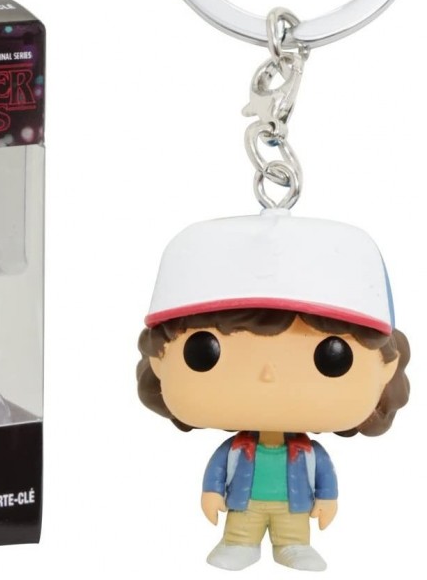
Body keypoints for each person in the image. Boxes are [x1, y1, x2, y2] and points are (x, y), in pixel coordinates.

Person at [137, 211, 410, 571]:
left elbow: (324, 477)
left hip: (293, 509)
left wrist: (327, 498)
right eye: (205, 352)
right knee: (241, 531)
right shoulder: (236, 450)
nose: (268, 375)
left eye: (332, 357)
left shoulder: (309, 454)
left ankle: (293, 546)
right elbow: (217, 470)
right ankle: (239, 543)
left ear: (386, 367)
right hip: (244, 506)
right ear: (158, 358)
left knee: (293, 534)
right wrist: (212, 492)